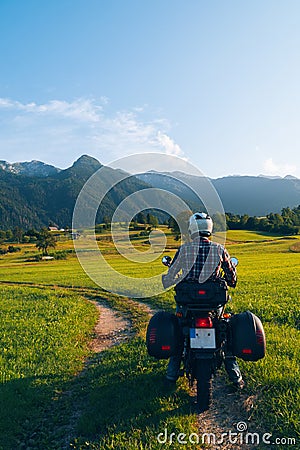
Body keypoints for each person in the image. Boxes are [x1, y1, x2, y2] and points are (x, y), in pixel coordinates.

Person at [162, 212, 245, 389]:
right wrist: (229, 278)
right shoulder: (219, 249)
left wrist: (169, 278)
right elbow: (232, 279)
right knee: (225, 334)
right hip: (214, 303)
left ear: (192, 228)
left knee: (178, 333)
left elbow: (170, 276)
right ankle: (236, 377)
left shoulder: (184, 249)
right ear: (210, 228)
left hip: (188, 303)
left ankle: (171, 375)